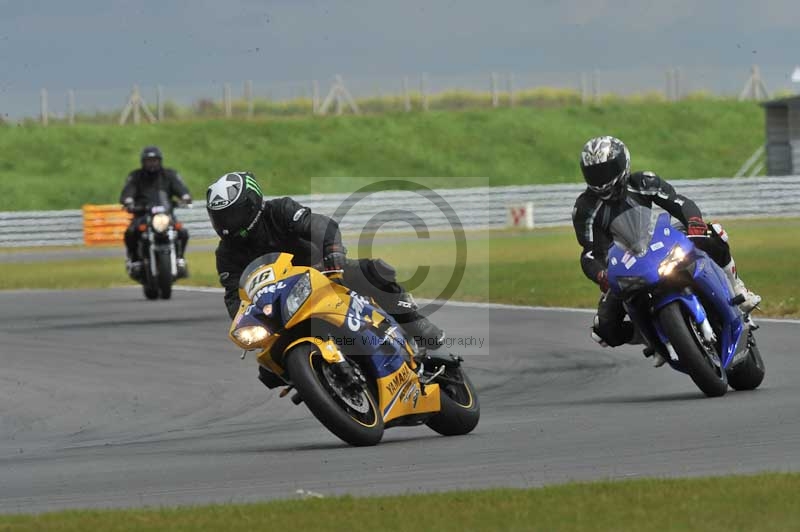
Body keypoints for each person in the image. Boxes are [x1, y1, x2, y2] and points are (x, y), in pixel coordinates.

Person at [206, 171, 445, 355]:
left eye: (232, 214)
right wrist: (246, 323)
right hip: (280, 305)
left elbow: (322, 226)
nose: (227, 223)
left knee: (371, 272)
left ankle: (415, 324)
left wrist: (333, 258)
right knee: (267, 370)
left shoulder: (279, 210)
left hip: (323, 273)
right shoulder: (226, 254)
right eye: (220, 217)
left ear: (252, 204)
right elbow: (234, 296)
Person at [571, 136, 761, 365]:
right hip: (626, 264)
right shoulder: (585, 208)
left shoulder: (643, 181)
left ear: (622, 164)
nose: (601, 180)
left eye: (606, 170)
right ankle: (648, 337)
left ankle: (738, 288)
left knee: (714, 233)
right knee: (603, 330)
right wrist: (601, 274)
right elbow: (590, 252)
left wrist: (694, 222)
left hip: (663, 241)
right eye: (594, 174)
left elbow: (679, 203)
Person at [120, 146, 192, 278]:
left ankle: (180, 259)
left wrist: (185, 196)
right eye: (148, 160)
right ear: (143, 162)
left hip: (165, 215)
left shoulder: (169, 175)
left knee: (182, 232)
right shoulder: (135, 176)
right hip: (143, 215)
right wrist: (128, 200)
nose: (152, 163)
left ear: (160, 161)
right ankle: (135, 260)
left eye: (154, 160)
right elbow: (128, 191)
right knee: (130, 232)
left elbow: (180, 187)